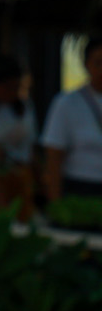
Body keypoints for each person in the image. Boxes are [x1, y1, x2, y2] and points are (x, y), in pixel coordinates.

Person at [42, 36, 102, 204]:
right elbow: (53, 157)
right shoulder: (66, 103)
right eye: (98, 63)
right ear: (86, 64)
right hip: (79, 189)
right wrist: (56, 203)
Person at [0, 54, 36, 216]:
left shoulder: (24, 107)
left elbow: (31, 147)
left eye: (15, 87)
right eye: (6, 86)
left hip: (21, 176)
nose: (11, 92)